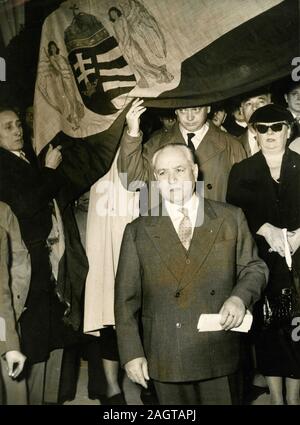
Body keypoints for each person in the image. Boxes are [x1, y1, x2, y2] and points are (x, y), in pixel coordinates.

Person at [115, 143, 267, 405]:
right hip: (165, 353)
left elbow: (254, 267)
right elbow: (125, 301)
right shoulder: (138, 230)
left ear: (195, 171)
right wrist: (131, 354)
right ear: (155, 179)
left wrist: (239, 298)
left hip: (218, 348)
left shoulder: (229, 217)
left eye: (179, 169)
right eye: (163, 173)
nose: (172, 179)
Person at [0, 106, 88, 404]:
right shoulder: (2, 165)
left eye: (17, 124)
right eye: (8, 127)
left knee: (56, 334)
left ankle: (53, 397)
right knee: (36, 340)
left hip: (49, 257)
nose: (17, 131)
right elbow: (24, 205)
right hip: (30, 260)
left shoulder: (24, 159)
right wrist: (49, 171)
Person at [226, 104, 300, 405]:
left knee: (297, 330)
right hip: (263, 265)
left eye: (277, 127)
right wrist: (264, 227)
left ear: (288, 130)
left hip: (298, 268)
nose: (270, 134)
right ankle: (277, 398)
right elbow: (234, 214)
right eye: (263, 128)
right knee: (268, 331)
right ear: (254, 133)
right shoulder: (242, 172)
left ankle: (294, 400)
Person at [118, 98, 246, 206]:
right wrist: (133, 133)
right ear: (176, 110)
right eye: (183, 110)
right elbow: (132, 182)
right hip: (166, 227)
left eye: (196, 109)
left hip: (214, 227)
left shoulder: (231, 146)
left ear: (208, 108)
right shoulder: (155, 144)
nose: (190, 117)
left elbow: (243, 199)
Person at [0, 202, 30, 404]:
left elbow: (18, 270)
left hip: (3, 318)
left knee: (13, 392)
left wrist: (9, 338)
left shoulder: (3, 213)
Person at [237, 88, 272, 157]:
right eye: (249, 103)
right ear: (241, 111)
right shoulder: (234, 145)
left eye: (261, 102)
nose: (254, 108)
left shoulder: (286, 140)